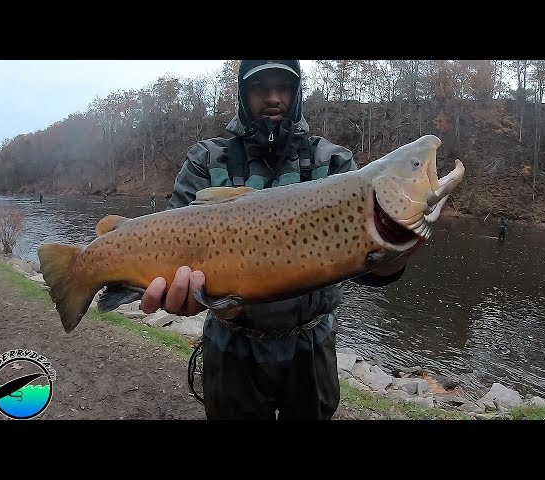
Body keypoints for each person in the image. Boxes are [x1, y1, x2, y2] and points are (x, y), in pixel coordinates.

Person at [139, 60, 416, 420]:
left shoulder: (333, 163)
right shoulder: (206, 159)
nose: (273, 98)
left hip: (311, 345)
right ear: (242, 93)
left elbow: (366, 270)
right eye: (260, 88)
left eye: (283, 87)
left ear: (296, 93)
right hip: (230, 344)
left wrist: (395, 251)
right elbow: (170, 242)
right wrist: (175, 293)